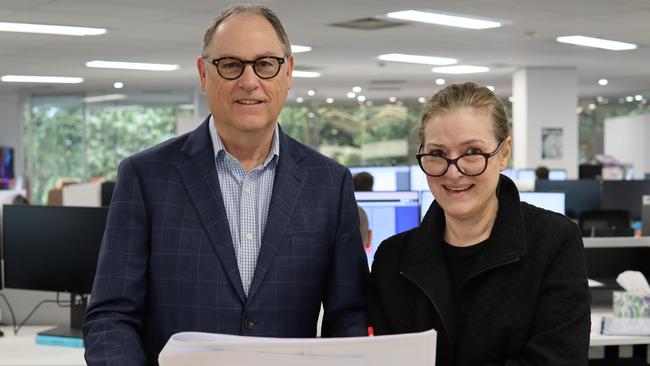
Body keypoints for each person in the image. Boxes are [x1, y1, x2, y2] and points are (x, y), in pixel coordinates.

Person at [83, 4, 368, 365]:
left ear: (289, 71)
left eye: (265, 64)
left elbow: (349, 317)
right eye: (231, 65)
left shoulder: (329, 183)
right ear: (204, 73)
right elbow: (111, 316)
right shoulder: (146, 176)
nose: (250, 82)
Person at [368, 82, 590, 366]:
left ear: (504, 153)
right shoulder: (392, 258)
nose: (453, 171)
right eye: (437, 154)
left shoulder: (552, 241)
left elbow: (561, 360)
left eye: (472, 152)